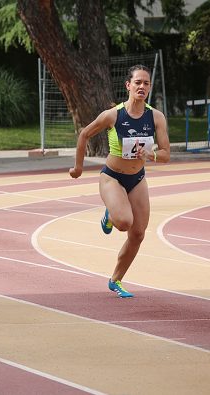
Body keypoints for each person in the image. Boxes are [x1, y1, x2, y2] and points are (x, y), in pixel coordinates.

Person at [69, 65, 170, 298]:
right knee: (124, 221)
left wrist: (151, 155)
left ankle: (116, 280)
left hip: (137, 179)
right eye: (138, 82)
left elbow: (165, 154)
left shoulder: (156, 117)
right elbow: (84, 134)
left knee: (138, 234)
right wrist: (78, 167)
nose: (142, 87)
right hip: (112, 177)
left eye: (146, 83)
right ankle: (110, 215)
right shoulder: (113, 115)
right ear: (128, 86)